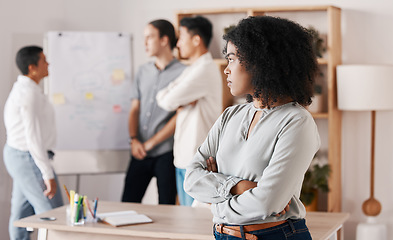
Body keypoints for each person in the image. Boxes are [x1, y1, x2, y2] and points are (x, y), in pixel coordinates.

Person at [184, 16, 320, 240]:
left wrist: (213, 205)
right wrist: (238, 186)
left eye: (232, 59)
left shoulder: (297, 121)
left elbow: (267, 201)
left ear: (261, 61)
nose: (226, 70)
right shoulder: (230, 115)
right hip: (222, 235)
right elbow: (191, 178)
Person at [156, 16, 223, 206]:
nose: (178, 44)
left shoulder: (204, 69)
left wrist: (178, 100)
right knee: (186, 217)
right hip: (184, 157)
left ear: (196, 40)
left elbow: (168, 100)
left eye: (181, 38)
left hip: (196, 159)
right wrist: (181, 100)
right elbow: (162, 97)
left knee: (194, 221)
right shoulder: (192, 69)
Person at [121, 19, 186, 204]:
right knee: (128, 203)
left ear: (164, 40)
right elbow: (134, 109)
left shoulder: (184, 73)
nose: (145, 43)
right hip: (138, 149)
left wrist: (151, 144)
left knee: (167, 207)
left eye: (149, 37)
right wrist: (134, 140)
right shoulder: (143, 71)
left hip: (166, 153)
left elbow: (179, 116)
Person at [3, 46, 63, 240]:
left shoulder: (29, 90)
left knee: (20, 215)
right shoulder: (28, 94)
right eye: (44, 61)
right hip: (27, 157)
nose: (48, 64)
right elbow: (33, 138)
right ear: (32, 68)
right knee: (53, 214)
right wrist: (48, 174)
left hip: (21, 156)